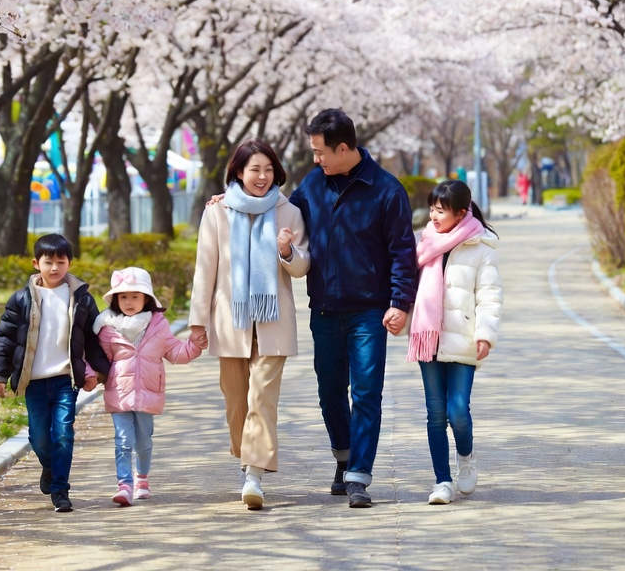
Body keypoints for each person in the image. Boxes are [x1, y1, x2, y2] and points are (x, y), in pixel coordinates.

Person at [288, 108, 418, 509]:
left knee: (365, 392)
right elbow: (279, 213)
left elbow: (402, 251)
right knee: (329, 393)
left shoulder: (386, 190)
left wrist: (400, 302)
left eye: (320, 151)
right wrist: (230, 199)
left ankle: (359, 475)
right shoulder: (311, 185)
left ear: (343, 148)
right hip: (324, 309)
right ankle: (343, 460)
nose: (315, 159)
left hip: (369, 312)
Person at [189, 138, 309, 510]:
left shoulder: (288, 211)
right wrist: (197, 322)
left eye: (269, 169)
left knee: (261, 399)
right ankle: (247, 459)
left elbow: (303, 267)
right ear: (238, 173)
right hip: (231, 320)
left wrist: (287, 250)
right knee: (236, 402)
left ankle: (254, 475)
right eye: (255, 169)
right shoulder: (217, 212)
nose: (262, 176)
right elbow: (205, 268)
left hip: (274, 321)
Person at [0, 233, 110, 514]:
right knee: (39, 437)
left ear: (69, 263)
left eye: (61, 261)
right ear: (36, 263)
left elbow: (93, 339)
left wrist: (98, 372)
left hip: (65, 380)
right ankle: (50, 466)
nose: (55, 268)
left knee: (64, 434)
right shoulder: (21, 299)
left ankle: (60, 490)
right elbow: (5, 338)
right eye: (48, 262)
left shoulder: (82, 299)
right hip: (33, 380)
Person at [407, 179, 503, 505]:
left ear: (461, 213)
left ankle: (466, 455)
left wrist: (485, 335)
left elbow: (490, 296)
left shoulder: (480, 247)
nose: (433, 215)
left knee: (457, 410)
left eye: (441, 210)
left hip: (462, 337)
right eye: (432, 208)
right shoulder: (423, 243)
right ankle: (442, 481)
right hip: (429, 339)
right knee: (435, 412)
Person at [95, 266, 205, 506]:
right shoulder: (106, 329)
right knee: (123, 440)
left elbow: (176, 352)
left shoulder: (158, 325)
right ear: (115, 299)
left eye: (135, 296)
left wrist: (194, 345)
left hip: (148, 394)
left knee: (143, 441)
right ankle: (124, 485)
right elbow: (98, 360)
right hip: (119, 393)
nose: (129, 301)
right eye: (123, 296)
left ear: (146, 298)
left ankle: (141, 479)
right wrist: (88, 374)